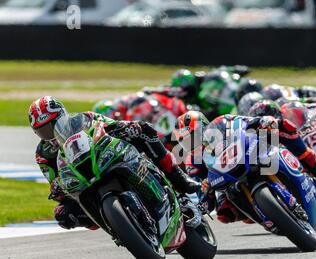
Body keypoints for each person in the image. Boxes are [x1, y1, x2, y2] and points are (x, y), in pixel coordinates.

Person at [29, 96, 200, 230]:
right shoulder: (43, 154)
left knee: (144, 130)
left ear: (62, 116)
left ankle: (177, 176)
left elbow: (109, 125)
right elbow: (53, 179)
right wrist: (57, 188)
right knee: (62, 214)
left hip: (105, 158)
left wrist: (127, 128)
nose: (49, 133)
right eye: (43, 131)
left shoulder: (84, 118)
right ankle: (113, 225)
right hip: (81, 180)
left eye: (52, 125)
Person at [174, 104, 316, 224]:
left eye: (194, 135)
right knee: (224, 214)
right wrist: (204, 192)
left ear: (204, 127)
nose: (192, 143)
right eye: (186, 142)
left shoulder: (220, 122)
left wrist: (261, 122)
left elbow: (246, 121)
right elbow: (198, 190)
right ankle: (259, 213)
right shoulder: (192, 161)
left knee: (284, 127)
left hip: (249, 152)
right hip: (226, 179)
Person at [170, 66, 250, 119]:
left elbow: (221, 71)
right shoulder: (189, 105)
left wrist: (234, 69)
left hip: (236, 104)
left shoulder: (206, 86)